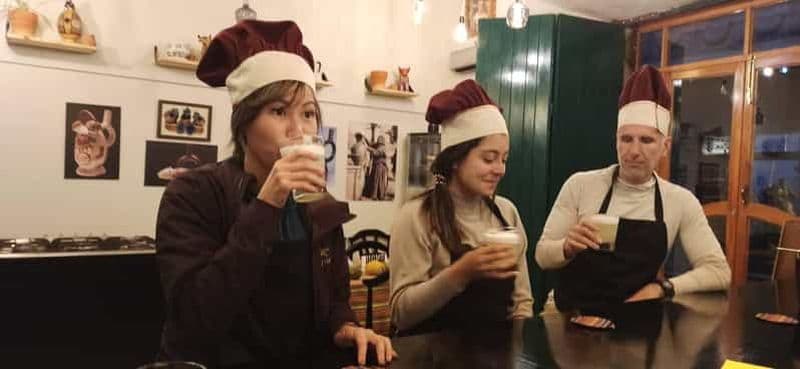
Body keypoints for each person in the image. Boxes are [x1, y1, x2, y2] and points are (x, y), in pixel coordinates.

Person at [155, 20, 395, 369]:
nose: (298, 130)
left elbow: (336, 299)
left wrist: (345, 328)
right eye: (279, 111)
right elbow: (194, 318)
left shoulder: (318, 202)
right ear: (244, 126)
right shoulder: (192, 193)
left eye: (309, 114)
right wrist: (268, 202)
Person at [535, 66, 731, 312]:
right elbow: (542, 255)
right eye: (626, 139)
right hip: (569, 317)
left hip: (637, 323)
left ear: (665, 146)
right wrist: (566, 246)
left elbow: (719, 271)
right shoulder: (581, 185)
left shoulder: (680, 201)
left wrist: (664, 288)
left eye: (646, 140)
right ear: (616, 141)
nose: (634, 151)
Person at [389, 79, 533, 334]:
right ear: (455, 159)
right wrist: (460, 273)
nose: (500, 169)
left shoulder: (507, 213)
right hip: (430, 359)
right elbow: (401, 314)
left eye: (504, 159)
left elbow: (521, 302)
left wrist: (518, 352)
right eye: (489, 158)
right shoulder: (416, 216)